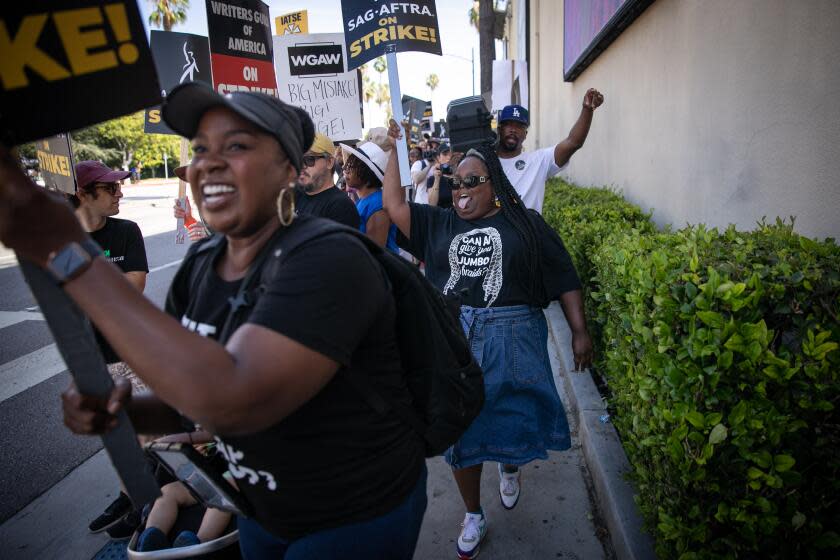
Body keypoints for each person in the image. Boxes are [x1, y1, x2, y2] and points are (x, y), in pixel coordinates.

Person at [0, 82, 426, 559]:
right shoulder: (203, 263)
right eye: (201, 149)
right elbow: (193, 400)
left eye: (237, 146)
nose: (207, 162)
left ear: (288, 169)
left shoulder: (329, 257)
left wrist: (71, 255)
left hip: (354, 512)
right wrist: (128, 412)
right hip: (259, 509)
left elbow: (234, 398)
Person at [382, 120, 593, 560]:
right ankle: (474, 512)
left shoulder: (526, 224)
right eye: (456, 182)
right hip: (457, 343)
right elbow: (394, 205)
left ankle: (510, 466)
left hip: (515, 339)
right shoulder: (439, 224)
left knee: (511, 420)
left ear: (494, 186)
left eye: (472, 181)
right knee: (462, 435)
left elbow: (564, 276)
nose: (461, 189)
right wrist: (394, 149)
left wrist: (579, 332)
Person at [69, 160, 150, 539]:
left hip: (132, 350)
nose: (120, 194)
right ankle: (128, 495)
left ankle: (150, 501)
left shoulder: (126, 231)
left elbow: (134, 288)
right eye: (110, 189)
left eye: (118, 187)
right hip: (91, 355)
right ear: (84, 194)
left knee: (150, 430)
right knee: (114, 432)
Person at [496, 89, 604, 213]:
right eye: (508, 125)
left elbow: (573, 142)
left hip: (527, 231)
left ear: (525, 134)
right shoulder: (484, 163)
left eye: (519, 126)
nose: (513, 130)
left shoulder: (538, 161)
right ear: (500, 129)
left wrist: (587, 110)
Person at [341, 141, 399, 253]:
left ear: (368, 173)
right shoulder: (363, 201)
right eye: (347, 165)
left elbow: (375, 252)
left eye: (352, 166)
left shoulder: (377, 203)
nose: (345, 170)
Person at [294, 133, 360, 228]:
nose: (302, 166)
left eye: (309, 159)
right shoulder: (295, 195)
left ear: (329, 162)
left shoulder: (341, 207)